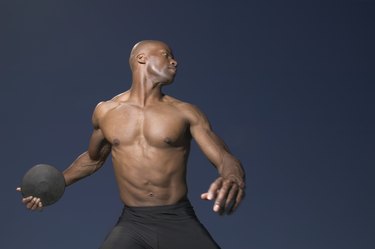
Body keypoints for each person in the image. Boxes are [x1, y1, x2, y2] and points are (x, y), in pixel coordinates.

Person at [17, 40, 245, 248]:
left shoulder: (185, 113)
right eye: (166, 55)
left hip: (179, 218)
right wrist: (52, 185)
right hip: (133, 222)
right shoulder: (106, 112)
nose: (174, 61)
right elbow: (93, 159)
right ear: (142, 58)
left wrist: (233, 177)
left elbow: (223, 156)